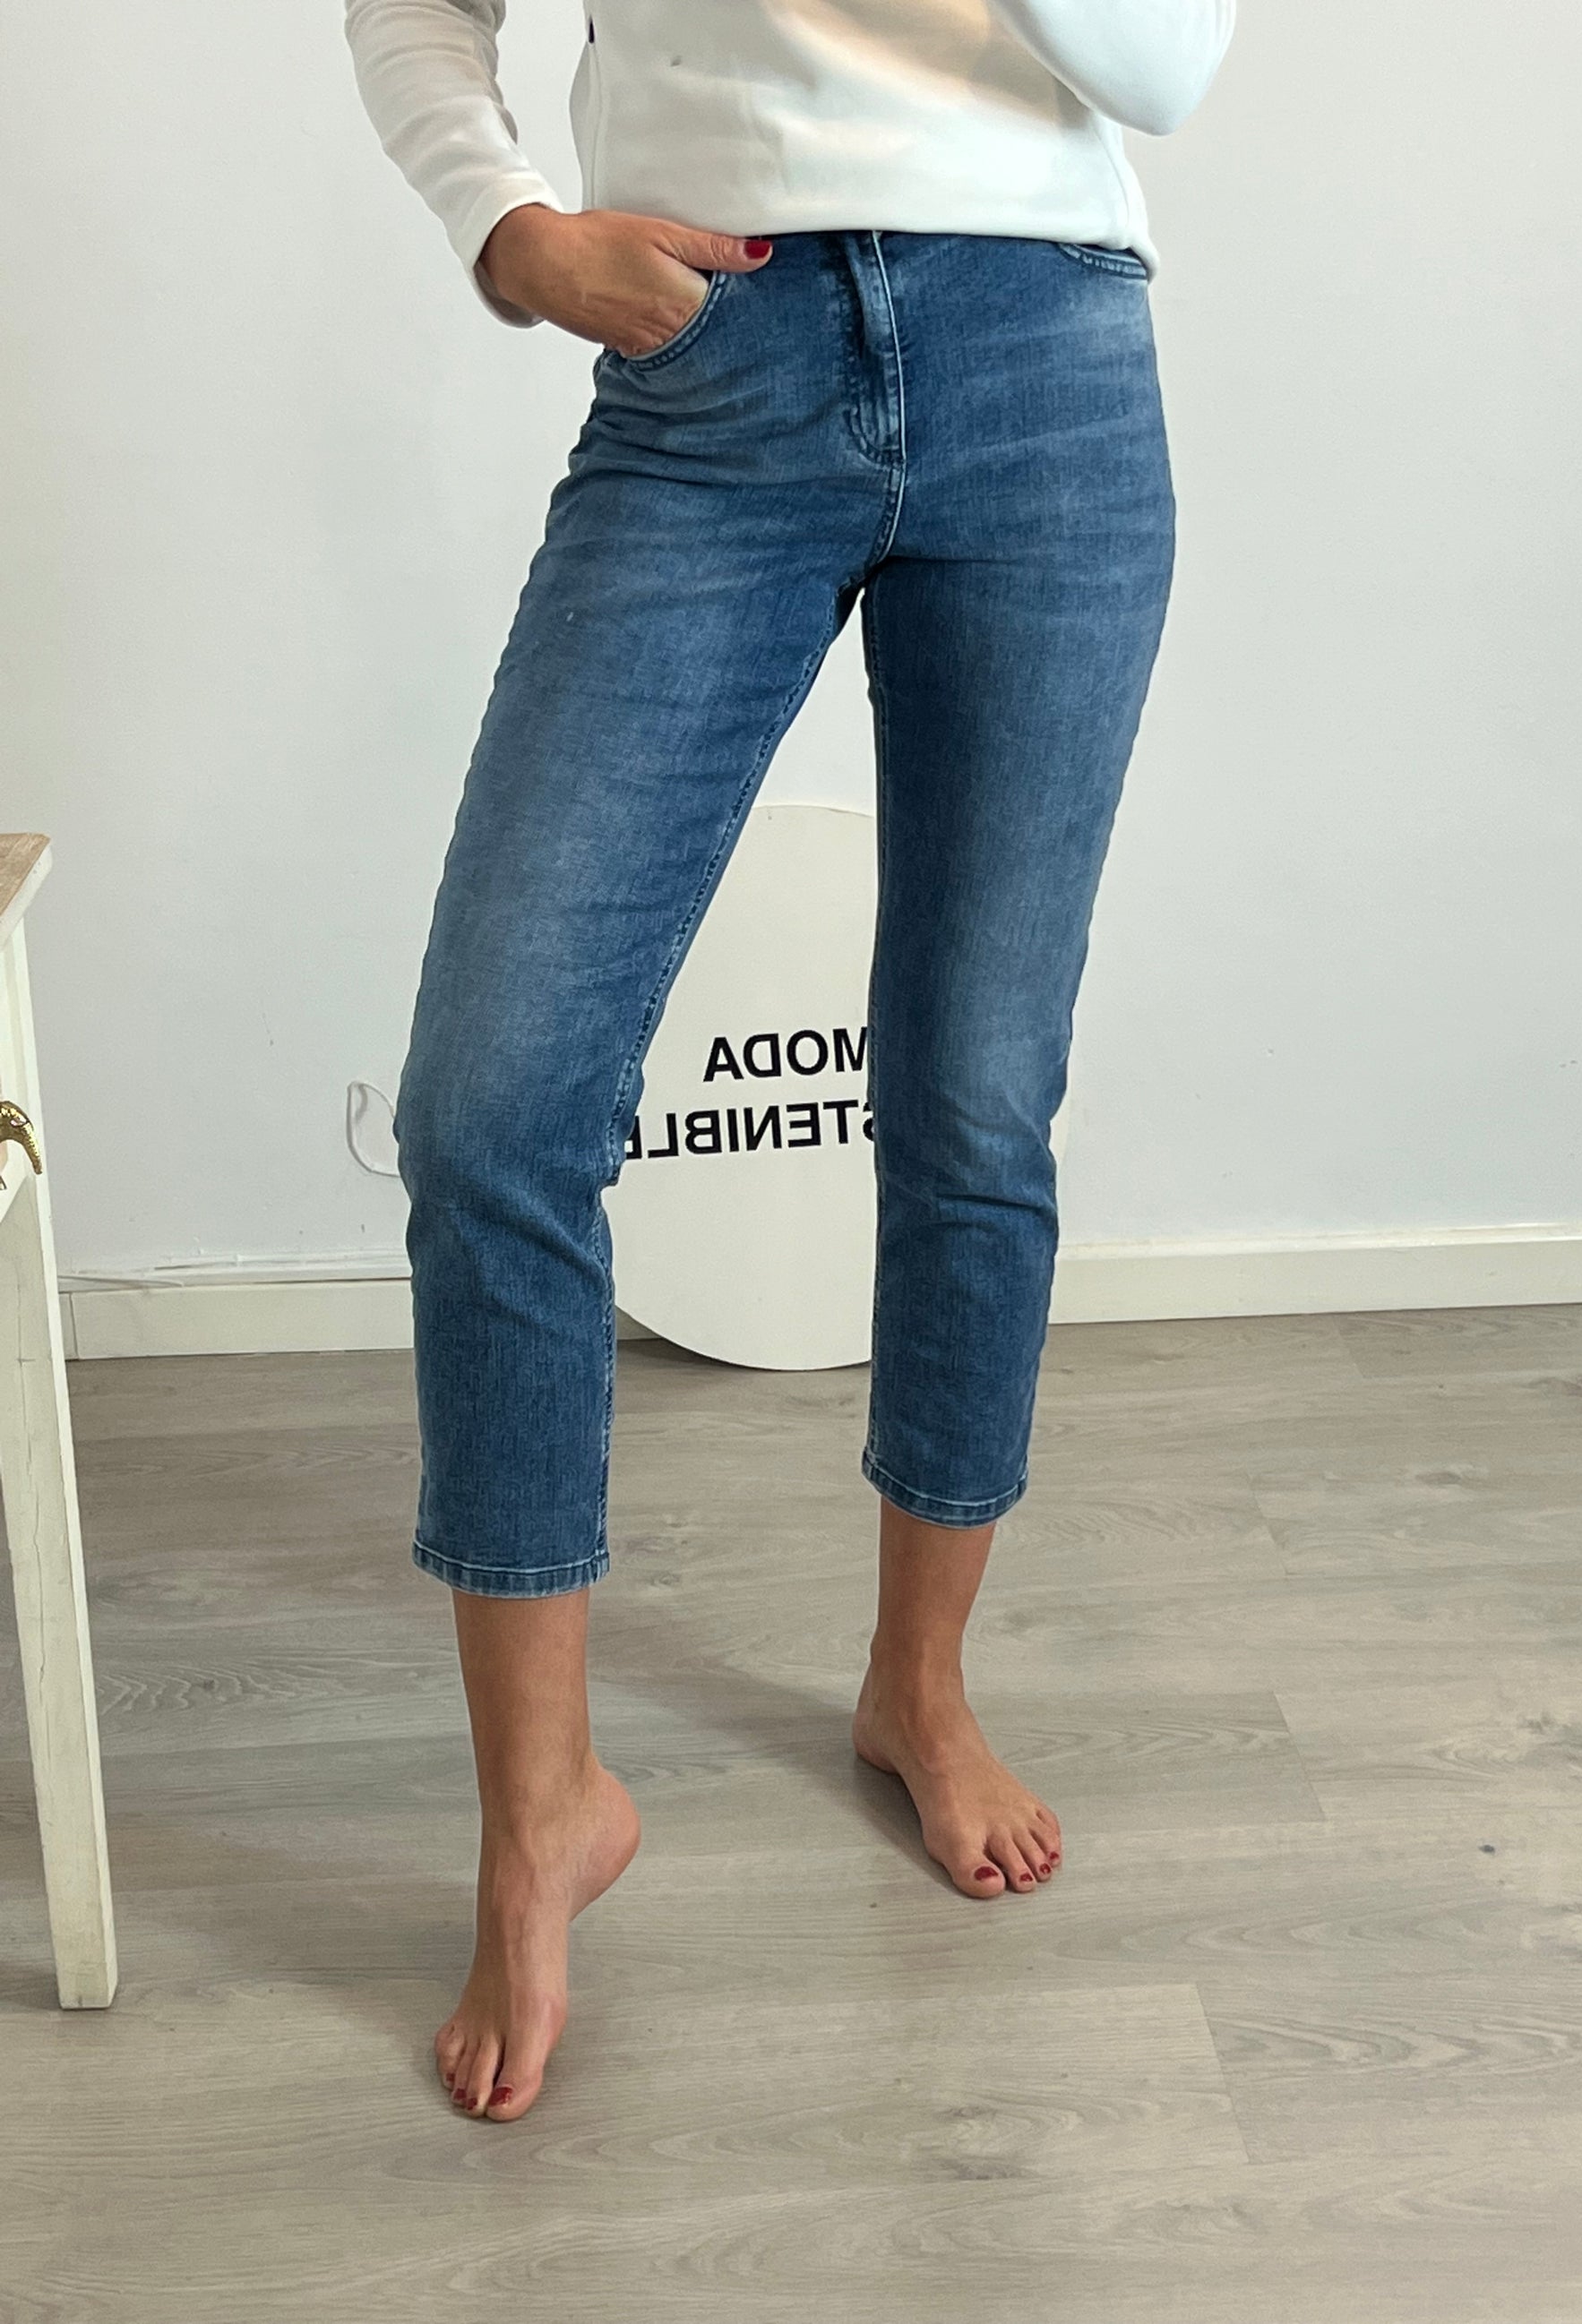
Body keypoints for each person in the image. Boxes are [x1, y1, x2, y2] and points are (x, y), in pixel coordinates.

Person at [343, 0, 1235, 2124]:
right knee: (491, 1110)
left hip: (1043, 352)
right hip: (708, 357)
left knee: (973, 1092)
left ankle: (919, 1685)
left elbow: (1166, 68)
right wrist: (506, 227)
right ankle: (542, 1811)